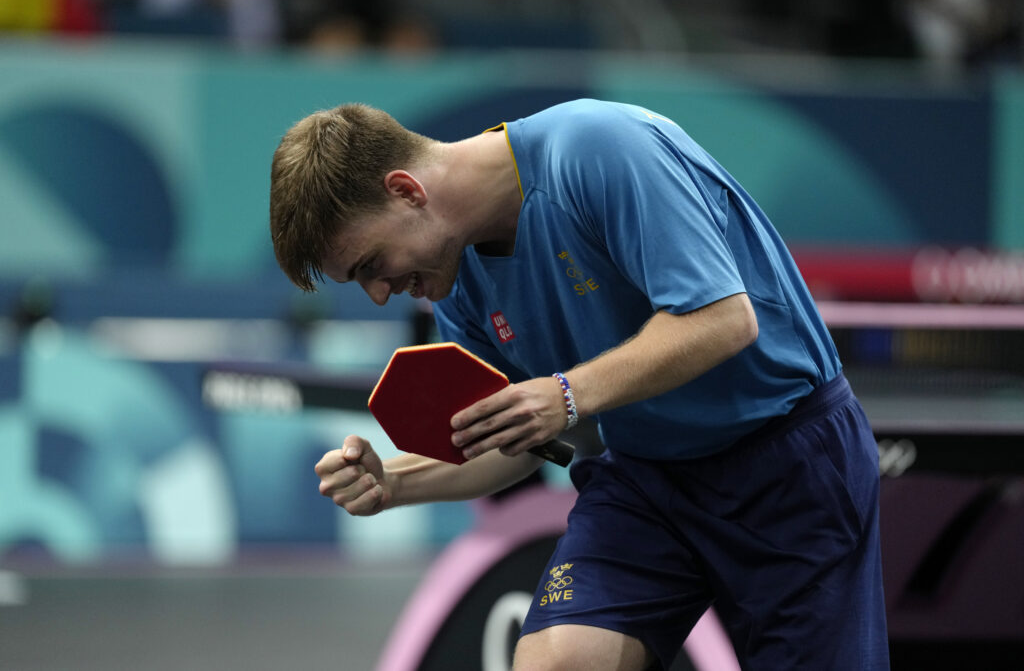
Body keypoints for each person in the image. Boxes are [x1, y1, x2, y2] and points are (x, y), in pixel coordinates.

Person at [269, 99, 889, 670]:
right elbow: (513, 448)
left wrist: (567, 394)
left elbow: (725, 319)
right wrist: (395, 480)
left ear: (405, 190)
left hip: (787, 464)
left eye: (372, 266)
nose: (380, 294)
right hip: (646, 478)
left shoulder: (600, 149)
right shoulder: (454, 278)